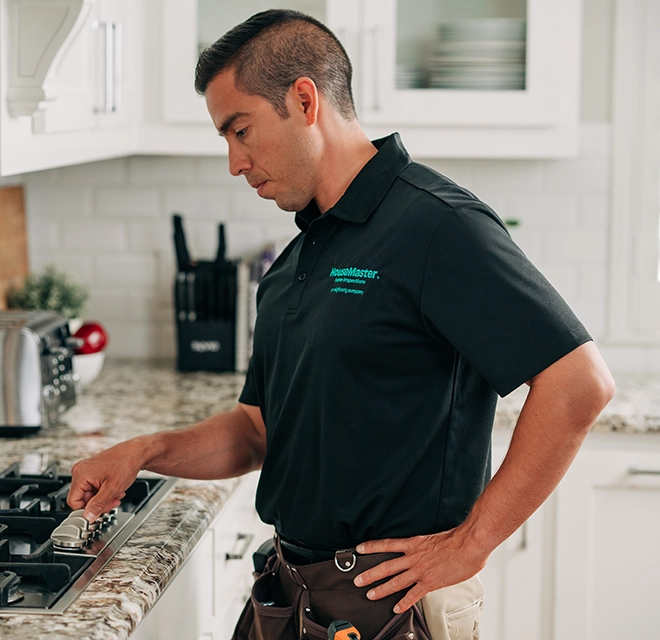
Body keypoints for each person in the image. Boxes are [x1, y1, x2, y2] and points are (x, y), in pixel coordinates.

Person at [68, 9, 616, 640]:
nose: (234, 162)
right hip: (290, 593)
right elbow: (257, 431)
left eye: (240, 130)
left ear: (304, 100)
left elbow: (579, 382)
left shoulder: (437, 226)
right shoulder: (294, 263)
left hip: (395, 605)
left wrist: (471, 543)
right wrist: (146, 450)